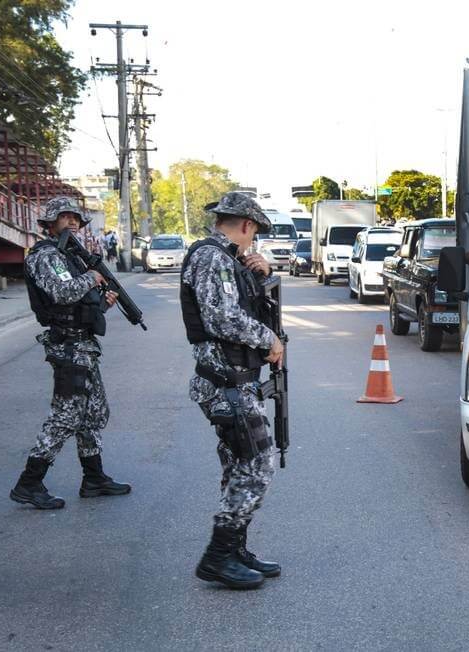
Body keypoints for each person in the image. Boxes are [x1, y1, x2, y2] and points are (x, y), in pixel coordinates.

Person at [179, 191, 284, 590]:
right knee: (258, 464)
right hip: (225, 383)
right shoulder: (212, 258)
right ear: (245, 225)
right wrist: (269, 339)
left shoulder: (228, 260)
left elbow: (244, 304)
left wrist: (262, 274)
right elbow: (222, 318)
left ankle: (235, 548)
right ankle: (218, 556)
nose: (253, 242)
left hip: (235, 380)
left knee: (237, 465)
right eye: (254, 234)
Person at [10, 197, 131, 510]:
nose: (73, 221)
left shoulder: (71, 257)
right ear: (50, 223)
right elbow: (61, 293)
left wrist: (102, 302)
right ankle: (29, 482)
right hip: (67, 347)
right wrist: (92, 277)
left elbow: (80, 303)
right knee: (65, 417)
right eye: (65, 217)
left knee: (94, 413)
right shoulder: (46, 255)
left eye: (76, 217)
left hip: (84, 345)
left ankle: (94, 478)